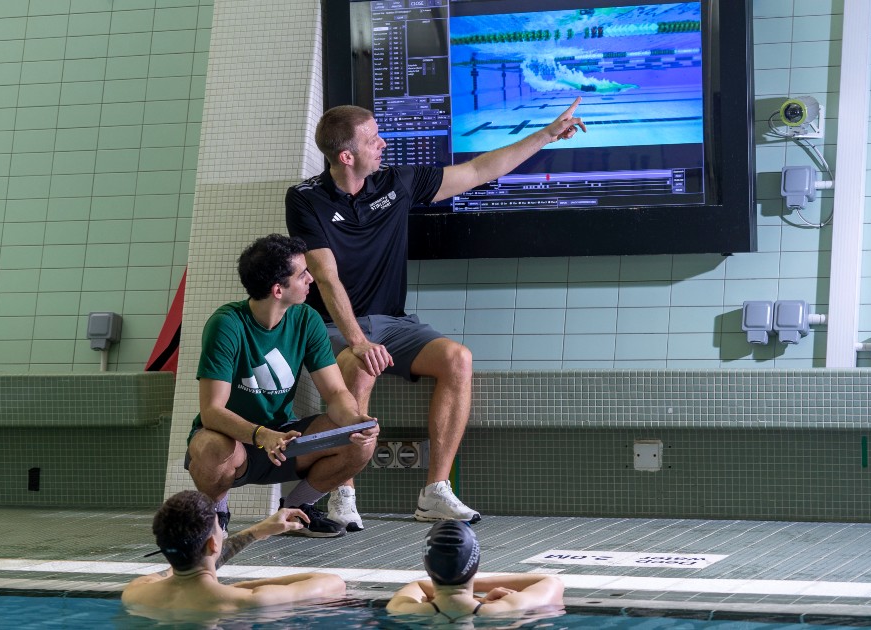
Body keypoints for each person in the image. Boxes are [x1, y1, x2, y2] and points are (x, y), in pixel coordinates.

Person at [285, 98, 587, 527]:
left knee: (457, 359)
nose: (384, 144)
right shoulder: (305, 199)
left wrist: (546, 135)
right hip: (333, 326)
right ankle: (342, 492)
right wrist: (358, 341)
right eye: (373, 139)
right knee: (359, 364)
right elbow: (326, 277)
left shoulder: (396, 184)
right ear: (346, 155)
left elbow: (481, 170)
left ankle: (434, 492)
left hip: (394, 321)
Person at [185, 234, 380, 538]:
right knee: (210, 446)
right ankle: (217, 516)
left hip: (284, 438)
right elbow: (212, 412)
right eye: (302, 274)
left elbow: (336, 393)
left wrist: (354, 423)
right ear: (278, 290)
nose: (310, 279)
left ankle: (297, 512)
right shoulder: (227, 324)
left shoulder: (306, 319)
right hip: (235, 441)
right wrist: (262, 435)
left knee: (359, 444)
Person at [122, 490, 346, 619]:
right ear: (213, 544)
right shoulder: (250, 601)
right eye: (220, 529)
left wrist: (257, 531)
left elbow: (184, 561)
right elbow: (333, 583)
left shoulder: (135, 591)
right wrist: (241, 587)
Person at [386, 520, 564, 621]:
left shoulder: (401, 608)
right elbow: (551, 582)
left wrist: (470, 595)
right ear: (475, 564)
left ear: (427, 564)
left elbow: (418, 585)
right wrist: (477, 596)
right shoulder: (506, 609)